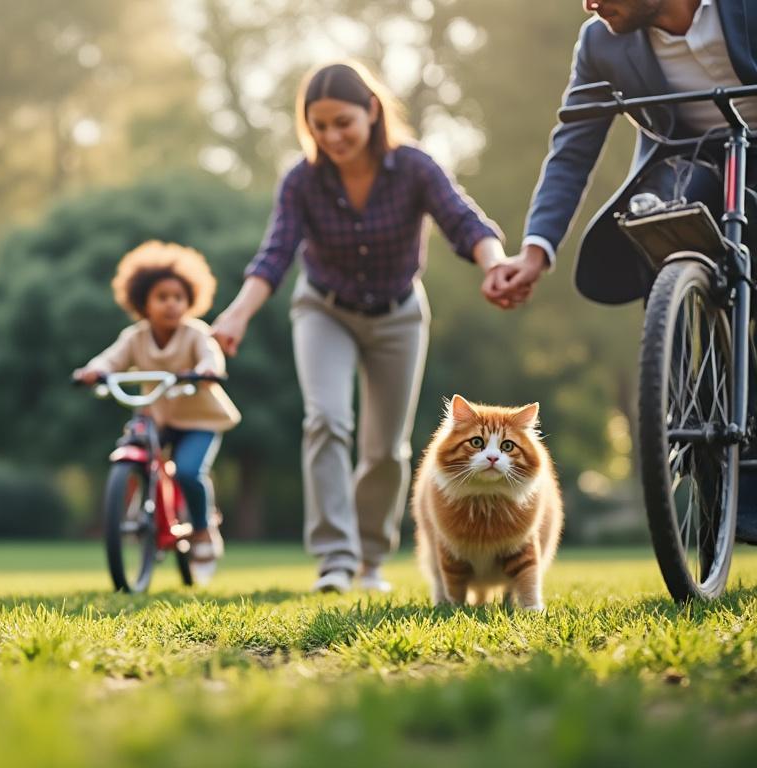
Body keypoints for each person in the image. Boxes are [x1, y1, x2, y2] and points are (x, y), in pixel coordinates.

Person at [210, 61, 511, 594]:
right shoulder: (303, 180)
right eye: (318, 125)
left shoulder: (414, 167)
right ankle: (335, 559)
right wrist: (236, 313)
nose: (331, 136)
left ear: (372, 111)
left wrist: (495, 265)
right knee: (326, 420)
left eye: (342, 122)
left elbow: (463, 221)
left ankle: (371, 560)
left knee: (385, 445)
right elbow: (275, 254)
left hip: (398, 315)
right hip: (324, 310)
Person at [489, 0, 757, 542]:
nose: (590, 3)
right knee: (662, 218)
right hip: (690, 169)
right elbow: (573, 147)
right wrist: (535, 251)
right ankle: (695, 413)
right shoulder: (600, 41)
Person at [73, 241, 242, 585]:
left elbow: (210, 353)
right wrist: (93, 370)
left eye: (178, 297)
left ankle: (202, 529)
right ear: (142, 303)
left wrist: (208, 369)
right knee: (134, 439)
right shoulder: (134, 338)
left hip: (199, 419)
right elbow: (111, 359)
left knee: (190, 471)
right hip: (158, 416)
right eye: (161, 297)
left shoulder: (194, 334)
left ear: (189, 301)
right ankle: (143, 494)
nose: (171, 304)